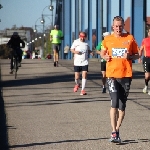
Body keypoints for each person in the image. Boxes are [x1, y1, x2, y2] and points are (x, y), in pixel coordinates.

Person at [101, 16, 139, 143]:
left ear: (123, 26)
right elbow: (102, 52)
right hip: (111, 75)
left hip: (126, 75)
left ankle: (117, 130)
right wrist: (104, 56)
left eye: (120, 26)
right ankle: (113, 132)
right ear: (113, 27)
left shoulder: (130, 38)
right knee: (114, 102)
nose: (118, 28)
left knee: (122, 107)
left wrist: (130, 56)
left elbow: (138, 54)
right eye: (116, 26)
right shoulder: (107, 39)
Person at [139, 28, 150, 95]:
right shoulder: (145, 40)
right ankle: (146, 86)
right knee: (147, 76)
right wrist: (139, 57)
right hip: (146, 59)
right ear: (148, 33)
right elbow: (141, 49)